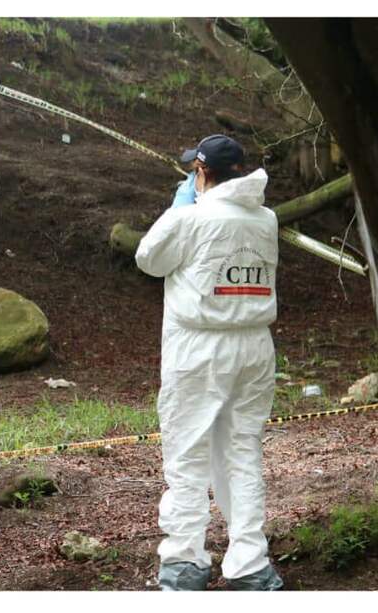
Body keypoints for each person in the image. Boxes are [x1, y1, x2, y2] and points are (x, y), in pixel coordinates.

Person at [135, 134, 284, 591]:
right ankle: (250, 563)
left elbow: (148, 258)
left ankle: (185, 561)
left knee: (187, 454)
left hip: (199, 349)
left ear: (201, 172)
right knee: (242, 451)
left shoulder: (190, 217)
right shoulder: (267, 219)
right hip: (254, 348)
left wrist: (179, 208)